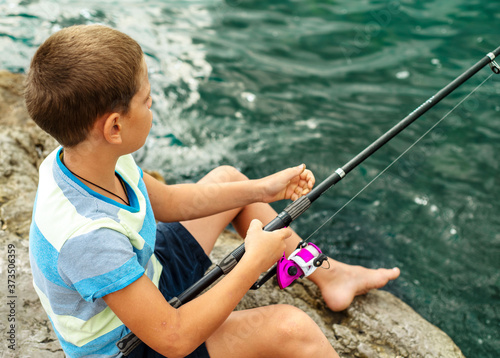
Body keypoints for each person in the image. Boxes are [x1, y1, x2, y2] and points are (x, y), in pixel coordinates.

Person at [26, 24, 400, 358]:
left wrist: (260, 189)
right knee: (291, 329)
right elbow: (173, 339)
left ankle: (331, 276)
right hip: (130, 344)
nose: (153, 104)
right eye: (147, 99)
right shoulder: (88, 238)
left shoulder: (88, 156)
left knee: (229, 180)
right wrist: (253, 260)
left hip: (148, 278)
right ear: (114, 128)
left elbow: (170, 203)